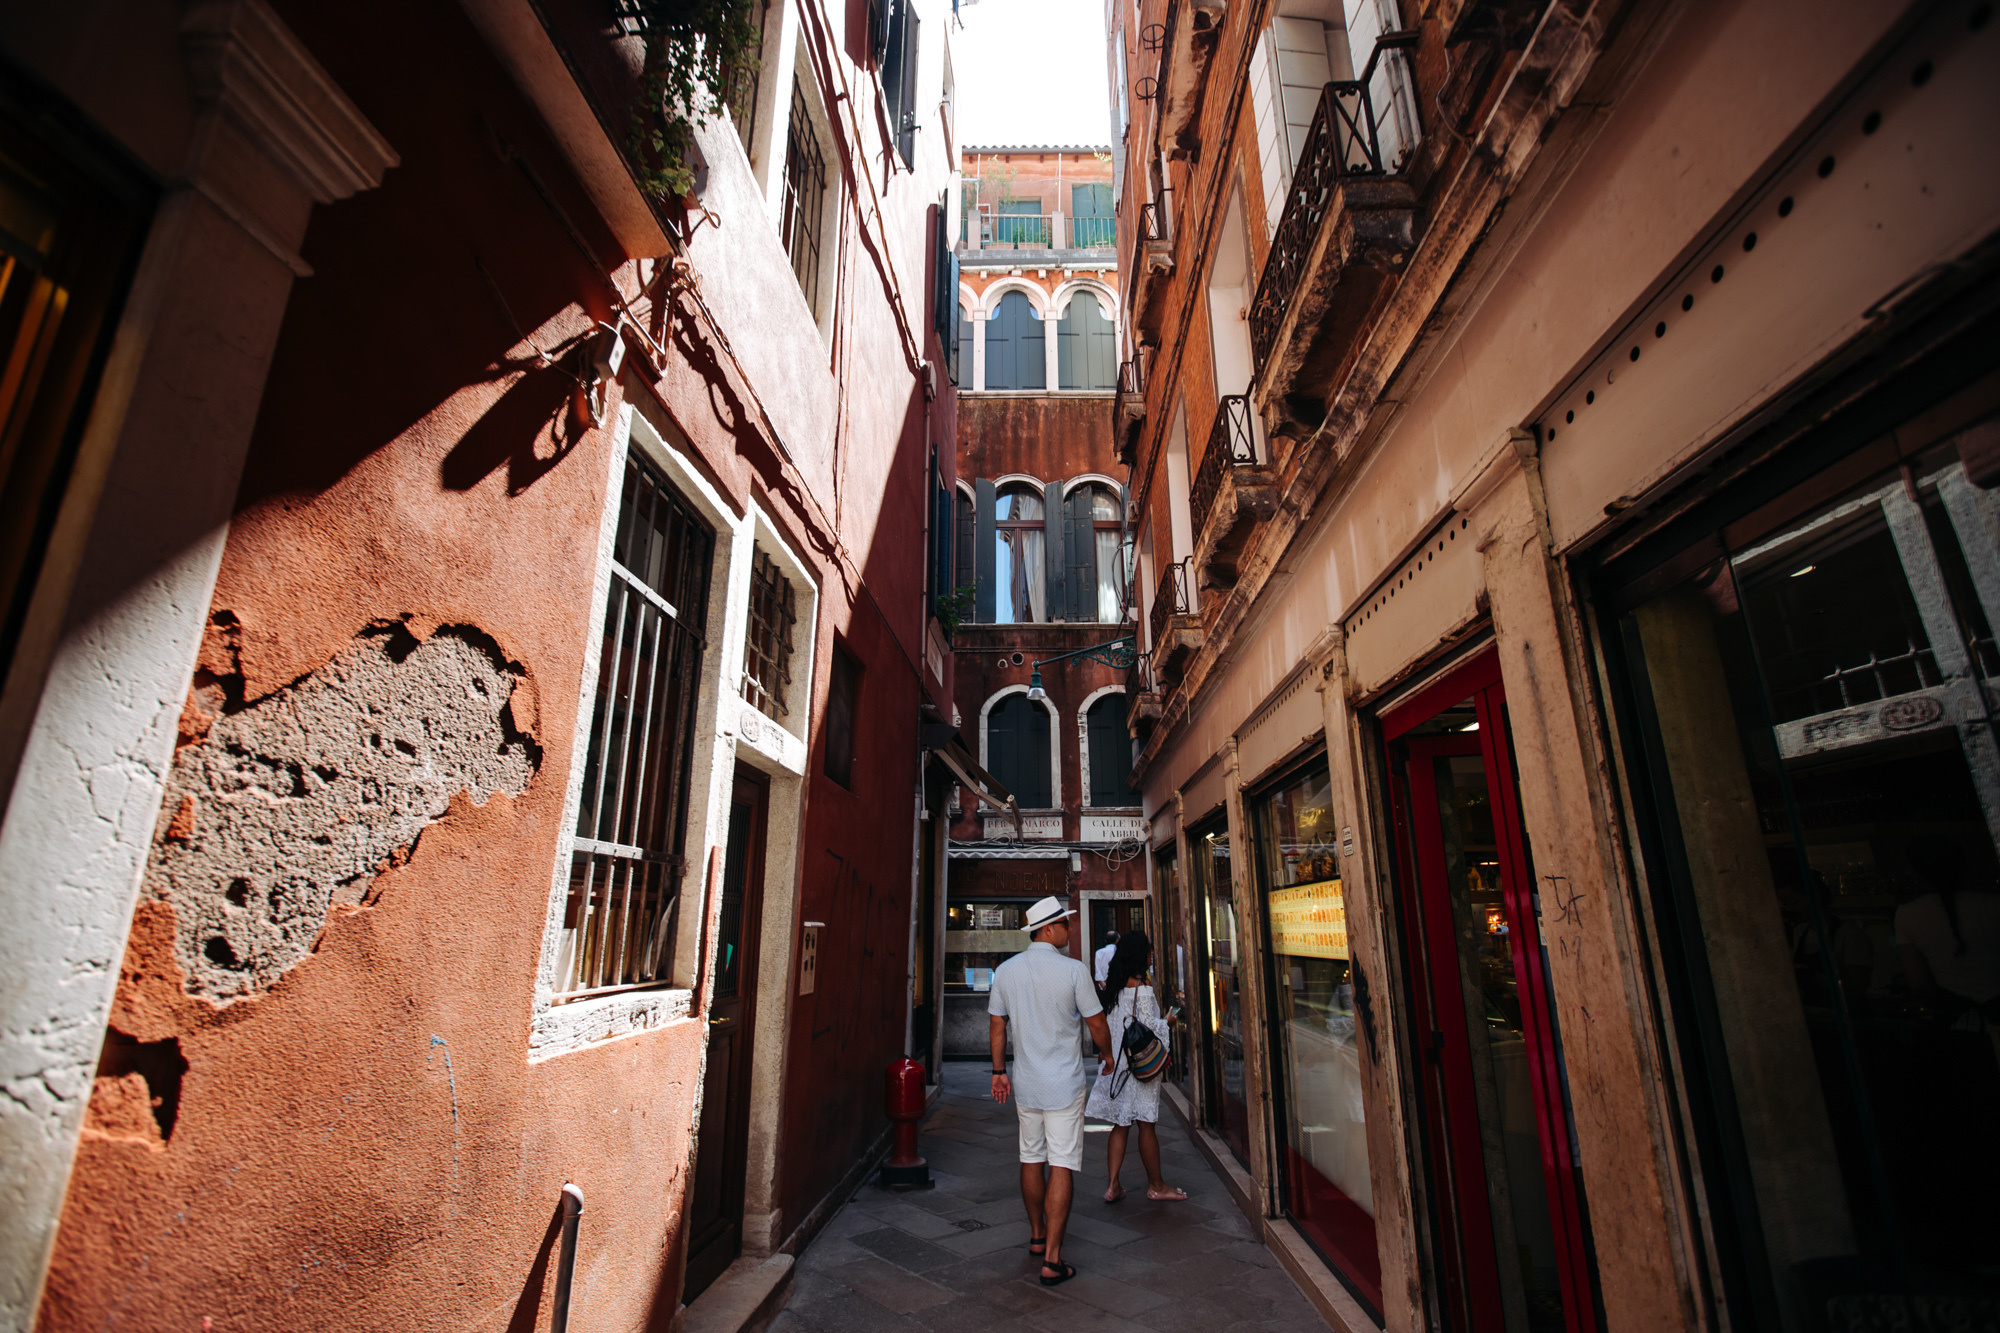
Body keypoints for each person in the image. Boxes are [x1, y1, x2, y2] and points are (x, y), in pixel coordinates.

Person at [989, 896, 1113, 1288]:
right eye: (1064, 923)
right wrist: (1107, 1055)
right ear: (1048, 929)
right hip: (1064, 1084)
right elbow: (1096, 1024)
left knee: (1030, 1157)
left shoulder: (1006, 971)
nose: (1069, 929)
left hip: (1026, 1083)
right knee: (1061, 1163)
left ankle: (1037, 1235)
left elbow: (997, 1027)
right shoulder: (1074, 971)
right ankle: (1053, 1259)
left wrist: (998, 1072)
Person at [1086, 930, 1187, 1203]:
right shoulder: (1142, 991)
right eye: (1149, 952)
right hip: (1138, 1067)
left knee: (1120, 1125)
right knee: (1146, 1125)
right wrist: (1169, 1020)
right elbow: (1151, 1029)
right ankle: (1156, 1185)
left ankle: (1112, 1185)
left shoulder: (1114, 988)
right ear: (1139, 955)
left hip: (1118, 1064)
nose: (1151, 956)